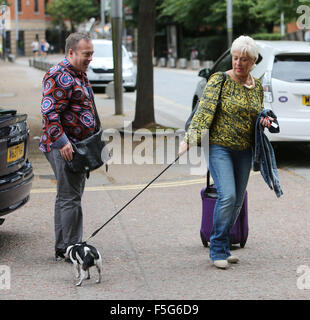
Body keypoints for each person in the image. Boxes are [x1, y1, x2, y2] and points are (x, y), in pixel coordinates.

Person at [178, 35, 273, 269]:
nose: (238, 63)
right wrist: (190, 140)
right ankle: (218, 248)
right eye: (235, 58)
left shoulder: (256, 86)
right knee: (228, 195)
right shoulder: (219, 80)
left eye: (244, 60)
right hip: (219, 147)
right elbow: (204, 112)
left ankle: (224, 244)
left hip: (244, 149)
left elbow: (257, 113)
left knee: (237, 201)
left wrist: (264, 120)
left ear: (253, 62)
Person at [39, 32, 96, 260]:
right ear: (71, 52)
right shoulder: (58, 75)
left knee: (66, 196)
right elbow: (48, 111)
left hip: (77, 146)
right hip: (65, 147)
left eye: (91, 54)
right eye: (86, 54)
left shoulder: (78, 73)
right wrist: (62, 142)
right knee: (71, 198)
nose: (90, 58)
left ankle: (64, 246)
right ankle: (73, 248)